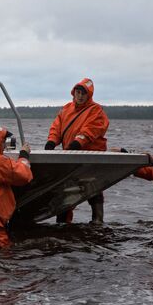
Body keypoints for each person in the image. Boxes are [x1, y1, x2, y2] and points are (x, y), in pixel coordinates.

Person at [44, 77, 109, 224]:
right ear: (73, 93)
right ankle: (63, 223)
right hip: (70, 156)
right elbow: (56, 127)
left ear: (89, 95)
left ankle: (98, 221)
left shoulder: (96, 110)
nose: (80, 96)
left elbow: (91, 130)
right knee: (67, 190)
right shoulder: (66, 109)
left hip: (90, 157)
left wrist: (77, 143)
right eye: (78, 92)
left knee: (94, 189)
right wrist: (51, 142)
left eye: (83, 93)